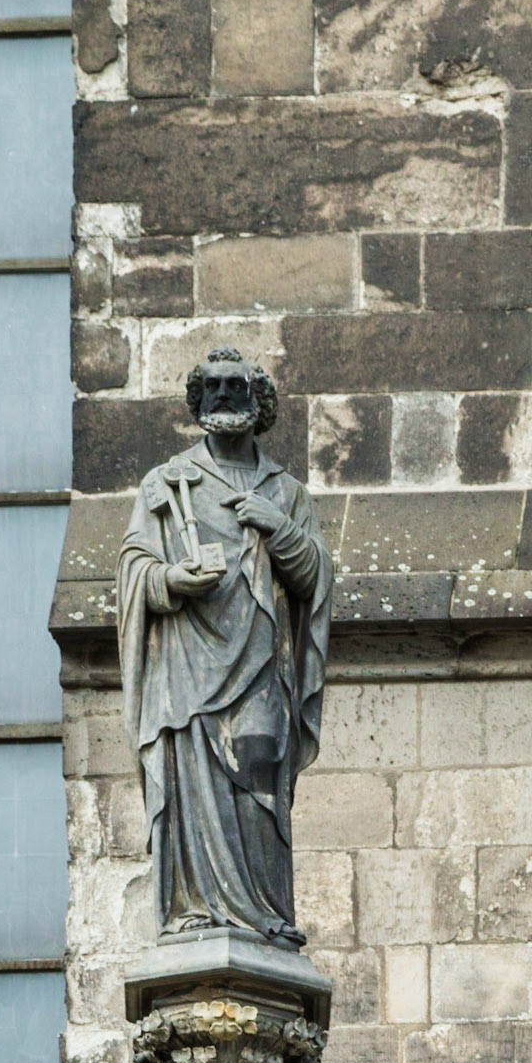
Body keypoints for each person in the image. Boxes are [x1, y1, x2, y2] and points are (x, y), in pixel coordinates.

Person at [116, 347, 332, 947]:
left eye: (236, 386)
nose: (223, 397)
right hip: (186, 669)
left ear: (258, 401)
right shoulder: (165, 484)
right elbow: (135, 567)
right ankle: (195, 910)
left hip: (260, 664)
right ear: (197, 402)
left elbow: (314, 577)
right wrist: (170, 582)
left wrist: (276, 526)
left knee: (259, 773)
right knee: (195, 787)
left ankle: (262, 910)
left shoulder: (285, 491)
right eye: (210, 388)